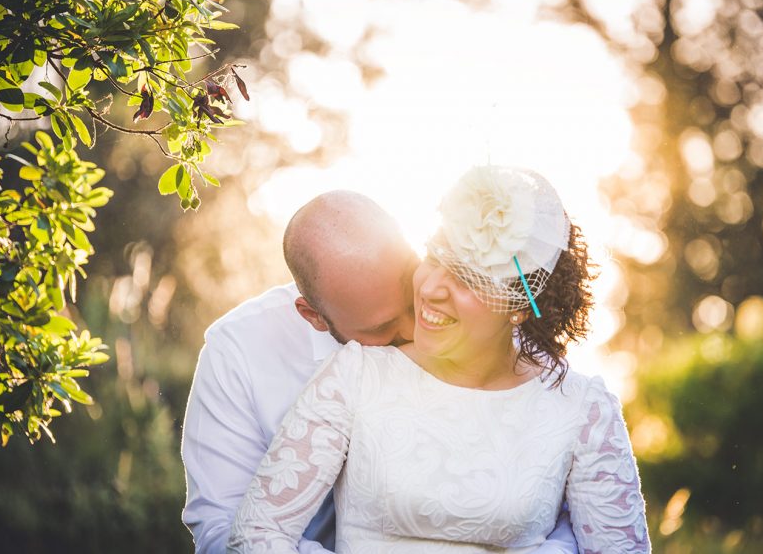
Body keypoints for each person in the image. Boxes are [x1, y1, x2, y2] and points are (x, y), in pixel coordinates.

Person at [227, 166, 650, 553]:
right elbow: (257, 536)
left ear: (517, 304)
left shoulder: (583, 409)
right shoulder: (355, 375)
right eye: (434, 256)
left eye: (466, 277)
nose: (431, 288)